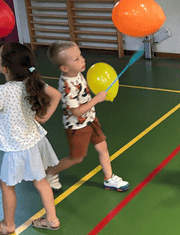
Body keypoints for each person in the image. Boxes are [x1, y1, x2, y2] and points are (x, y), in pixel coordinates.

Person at [0, 42, 62, 234]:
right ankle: (52, 220)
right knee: (40, 181)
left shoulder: (2, 91)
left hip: (16, 148)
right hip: (33, 142)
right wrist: (43, 118)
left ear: (4, 68)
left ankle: (8, 225)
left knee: (6, 184)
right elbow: (56, 95)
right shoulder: (32, 82)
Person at [46, 40, 130, 191]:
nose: (83, 60)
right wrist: (97, 99)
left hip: (91, 119)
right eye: (77, 59)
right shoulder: (66, 86)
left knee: (103, 147)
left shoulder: (77, 73)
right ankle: (50, 172)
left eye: (81, 55)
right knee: (76, 158)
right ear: (65, 68)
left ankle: (109, 179)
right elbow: (76, 111)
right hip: (77, 126)